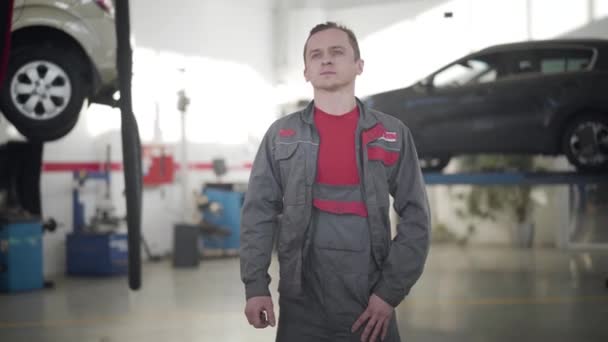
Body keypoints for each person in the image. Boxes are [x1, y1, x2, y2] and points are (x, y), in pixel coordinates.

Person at [240, 21, 430, 342]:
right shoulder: (281, 136)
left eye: (337, 52)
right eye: (316, 55)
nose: (325, 60)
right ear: (306, 71)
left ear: (359, 66)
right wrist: (255, 286)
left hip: (370, 300)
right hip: (300, 299)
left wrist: (388, 293)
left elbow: (417, 218)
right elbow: (258, 213)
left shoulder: (391, 134)